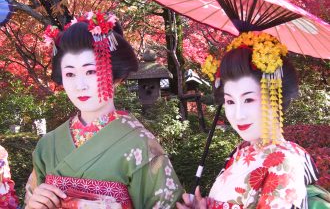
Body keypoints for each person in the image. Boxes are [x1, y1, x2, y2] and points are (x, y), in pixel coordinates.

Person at [24, 11, 182, 209]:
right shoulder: (47, 146)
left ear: (117, 77)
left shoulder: (141, 146)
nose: (80, 85)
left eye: (91, 71)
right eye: (70, 73)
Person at [177, 32, 319, 209]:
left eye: (249, 99)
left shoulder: (284, 162)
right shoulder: (241, 151)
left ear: (276, 98)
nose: (238, 114)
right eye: (230, 101)